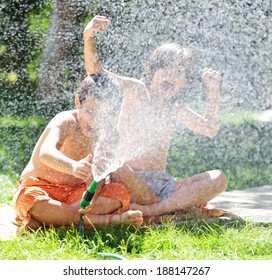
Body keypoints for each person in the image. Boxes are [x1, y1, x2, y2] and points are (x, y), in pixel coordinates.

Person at [82, 16, 227, 219]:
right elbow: (97, 73)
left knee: (218, 178)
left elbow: (210, 129)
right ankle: (172, 208)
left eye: (180, 72)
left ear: (184, 82)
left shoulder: (175, 108)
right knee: (118, 167)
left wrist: (213, 92)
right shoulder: (137, 90)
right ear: (152, 70)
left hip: (163, 184)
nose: (172, 75)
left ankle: (155, 209)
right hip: (130, 179)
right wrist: (88, 37)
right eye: (166, 68)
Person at [13, 74, 143, 233]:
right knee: (30, 199)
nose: (95, 121)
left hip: (75, 196)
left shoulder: (109, 136)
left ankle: (48, 223)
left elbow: (99, 175)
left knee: (119, 193)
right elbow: (45, 153)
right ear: (77, 102)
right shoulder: (66, 122)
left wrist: (91, 198)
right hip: (42, 189)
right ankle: (108, 221)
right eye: (90, 111)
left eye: (104, 116)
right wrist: (73, 167)